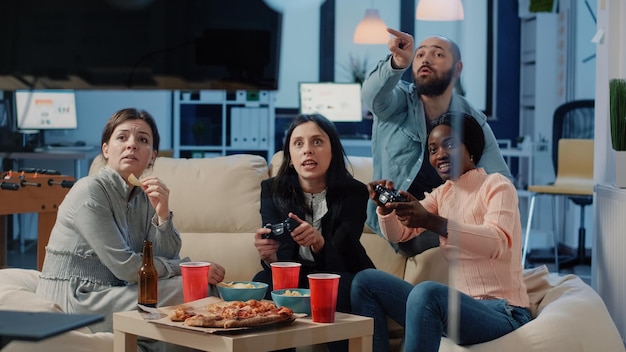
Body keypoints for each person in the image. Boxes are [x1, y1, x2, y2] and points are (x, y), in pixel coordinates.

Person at [36, 108, 226, 351]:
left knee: (197, 290)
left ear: (152, 156)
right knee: (196, 287)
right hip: (76, 298)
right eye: (122, 137)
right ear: (106, 149)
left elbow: (167, 257)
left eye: (143, 140)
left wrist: (162, 214)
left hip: (116, 291)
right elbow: (126, 267)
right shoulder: (89, 191)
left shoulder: (143, 195)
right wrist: (193, 268)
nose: (132, 145)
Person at [351, 112, 531, 351]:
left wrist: (435, 222)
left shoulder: (497, 185)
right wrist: (386, 211)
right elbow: (399, 235)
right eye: (433, 149)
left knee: (428, 292)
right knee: (366, 281)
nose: (440, 155)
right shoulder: (443, 193)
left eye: (450, 145)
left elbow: (496, 243)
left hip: (504, 312)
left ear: (471, 148)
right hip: (459, 310)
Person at [361, 29, 511, 257]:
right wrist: (397, 62)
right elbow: (372, 97)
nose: (426, 59)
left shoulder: (471, 118)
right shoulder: (396, 105)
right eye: (420, 55)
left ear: (457, 68)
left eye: (438, 55)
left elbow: (501, 180)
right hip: (403, 220)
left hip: (449, 217)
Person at [252, 114, 375, 313]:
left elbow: (346, 253)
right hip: (295, 275)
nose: (307, 150)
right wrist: (270, 257)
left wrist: (319, 243)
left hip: (339, 273)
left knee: (340, 288)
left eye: (317, 142)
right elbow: (279, 259)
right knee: (262, 282)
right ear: (290, 158)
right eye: (298, 144)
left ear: (333, 151)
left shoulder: (354, 192)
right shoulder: (272, 190)